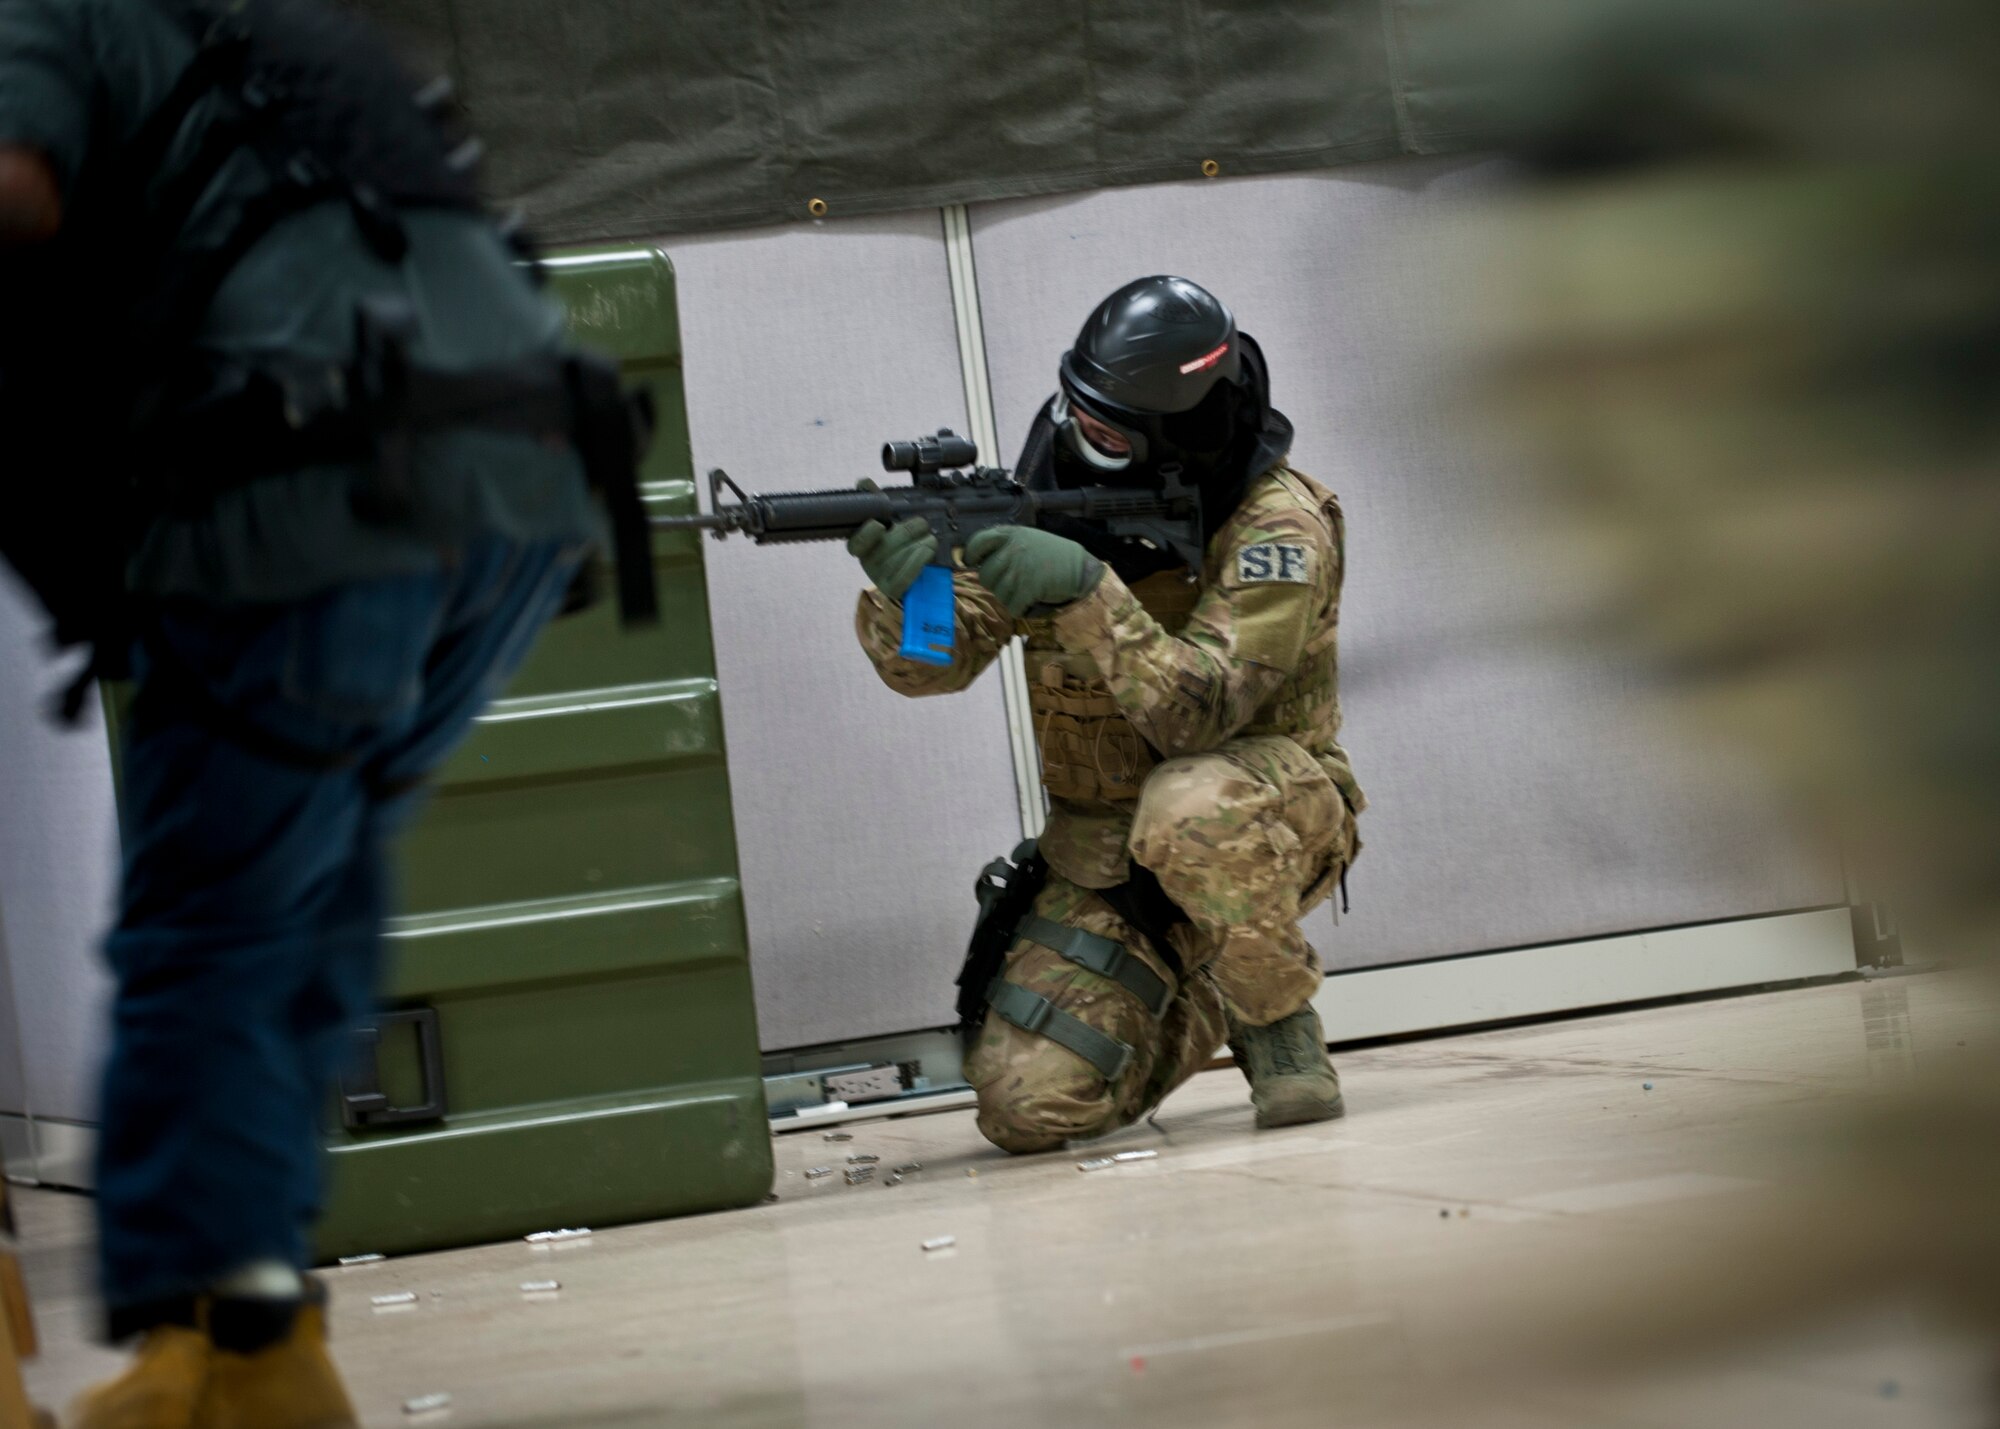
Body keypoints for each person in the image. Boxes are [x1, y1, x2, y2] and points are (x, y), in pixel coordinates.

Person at [0, 0, 649, 1420]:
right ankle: (260, 1334)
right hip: (514, 491)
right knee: (295, 915)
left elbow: (15, 183)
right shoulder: (252, 37)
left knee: (206, 933)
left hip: (307, 493)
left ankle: (206, 1366)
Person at [849, 275, 1365, 1152]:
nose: (1076, 437)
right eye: (1074, 411)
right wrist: (919, 595)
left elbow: (1196, 718)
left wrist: (1087, 588)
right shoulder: (1050, 485)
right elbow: (936, 668)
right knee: (1024, 1108)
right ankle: (1211, 978)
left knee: (1190, 802)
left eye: (1105, 431)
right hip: (1106, 852)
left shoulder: (1277, 527)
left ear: (1174, 437)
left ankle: (1276, 1015)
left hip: (1265, 820)